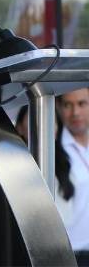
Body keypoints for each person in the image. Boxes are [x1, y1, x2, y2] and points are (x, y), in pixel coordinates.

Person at [56, 88, 89, 266]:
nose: (75, 112)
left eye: (81, 104)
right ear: (59, 108)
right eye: (68, 105)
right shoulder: (52, 150)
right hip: (70, 254)